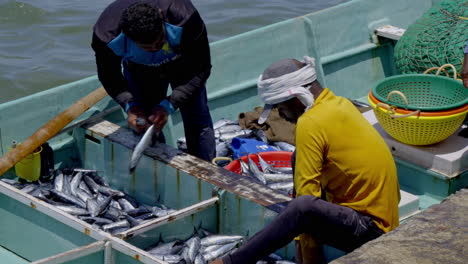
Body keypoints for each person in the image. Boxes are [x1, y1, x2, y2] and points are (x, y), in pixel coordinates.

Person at [209, 56, 401, 264]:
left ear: (296, 99)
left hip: (371, 231)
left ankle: (231, 262)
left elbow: (305, 204)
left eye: (279, 107)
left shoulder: (310, 123)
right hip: (385, 217)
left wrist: (307, 253)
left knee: (302, 207)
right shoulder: (340, 104)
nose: (280, 114)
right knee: (297, 158)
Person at [92, 0, 215, 161]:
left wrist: (170, 105)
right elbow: (109, 76)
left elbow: (201, 67)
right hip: (140, 69)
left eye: (159, 41)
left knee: (196, 118)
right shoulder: (106, 35)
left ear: (162, 20)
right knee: (145, 123)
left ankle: (206, 174)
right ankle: (159, 171)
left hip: (184, 64)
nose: (156, 48)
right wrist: (129, 105)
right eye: (147, 47)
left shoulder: (184, 17)